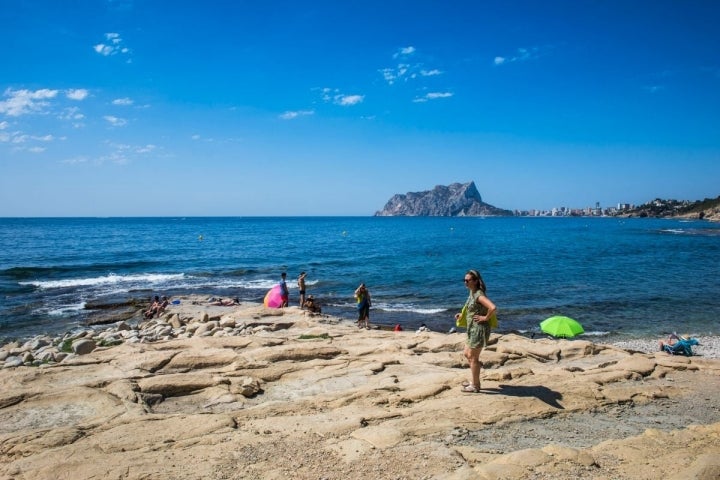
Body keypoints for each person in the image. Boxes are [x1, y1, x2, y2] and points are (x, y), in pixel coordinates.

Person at [455, 269, 497, 393]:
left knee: (472, 357)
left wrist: (485, 317)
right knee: (467, 354)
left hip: (478, 329)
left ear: (475, 281)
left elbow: (493, 307)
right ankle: (475, 377)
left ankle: (475, 385)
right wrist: (461, 315)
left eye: (467, 280)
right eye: (464, 280)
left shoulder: (479, 295)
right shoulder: (472, 292)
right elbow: (471, 309)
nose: (465, 283)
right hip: (471, 328)